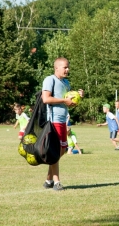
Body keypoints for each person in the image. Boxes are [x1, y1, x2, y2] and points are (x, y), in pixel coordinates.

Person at [41, 57, 84, 191]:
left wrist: (76, 97)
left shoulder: (66, 83)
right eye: (65, 67)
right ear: (57, 68)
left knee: (62, 150)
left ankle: (48, 180)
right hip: (52, 120)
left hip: (62, 120)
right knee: (56, 151)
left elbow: (67, 104)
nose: (67, 69)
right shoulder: (50, 79)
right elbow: (46, 99)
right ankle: (56, 182)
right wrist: (64, 101)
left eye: (68, 67)